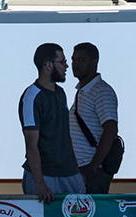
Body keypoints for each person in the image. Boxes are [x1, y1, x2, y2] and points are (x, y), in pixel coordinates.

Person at [20, 43, 86, 202]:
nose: (66, 66)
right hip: (46, 175)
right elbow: (31, 143)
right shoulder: (32, 96)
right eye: (62, 62)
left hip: (69, 174)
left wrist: (76, 171)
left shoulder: (60, 93)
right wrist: (39, 183)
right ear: (48, 65)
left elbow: (64, 134)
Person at [69, 42, 122, 195]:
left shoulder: (101, 91)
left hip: (91, 170)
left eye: (81, 60)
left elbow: (110, 129)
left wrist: (93, 167)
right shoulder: (83, 91)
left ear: (94, 62)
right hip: (80, 169)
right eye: (73, 60)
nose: (75, 64)